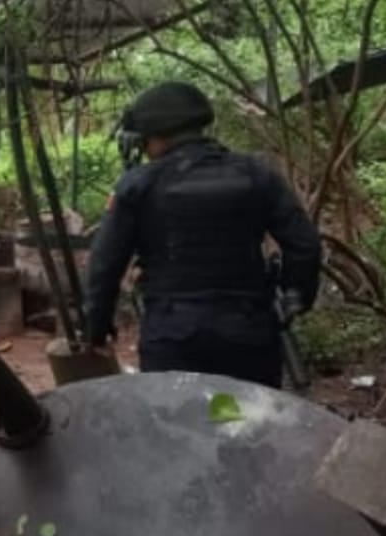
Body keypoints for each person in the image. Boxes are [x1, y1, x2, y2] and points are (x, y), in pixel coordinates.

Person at [85, 81, 322, 388]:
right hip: (249, 329)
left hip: (171, 334)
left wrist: (96, 328)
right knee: (250, 415)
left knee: (173, 416)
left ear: (155, 136)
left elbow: (105, 264)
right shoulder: (257, 174)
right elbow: (305, 245)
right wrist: (295, 296)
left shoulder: (138, 184)